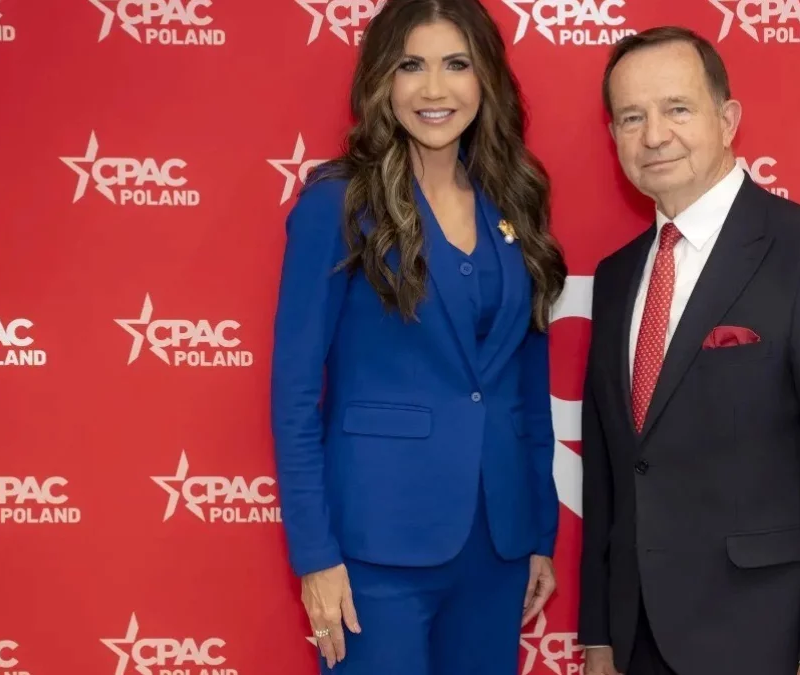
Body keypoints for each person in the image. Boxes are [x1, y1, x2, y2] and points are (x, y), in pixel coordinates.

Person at [577, 26, 800, 675]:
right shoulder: (615, 277)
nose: (654, 135)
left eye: (677, 108)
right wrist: (600, 635)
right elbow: (610, 473)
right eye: (632, 117)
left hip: (767, 642)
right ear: (613, 136)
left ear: (727, 120)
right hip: (637, 643)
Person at [269, 1, 567, 673]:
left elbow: (526, 391)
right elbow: (294, 394)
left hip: (498, 543)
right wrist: (315, 555)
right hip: (376, 545)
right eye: (411, 66)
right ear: (382, 79)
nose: (435, 90)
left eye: (456, 64)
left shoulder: (514, 201)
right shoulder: (338, 203)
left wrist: (538, 531)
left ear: (486, 77)